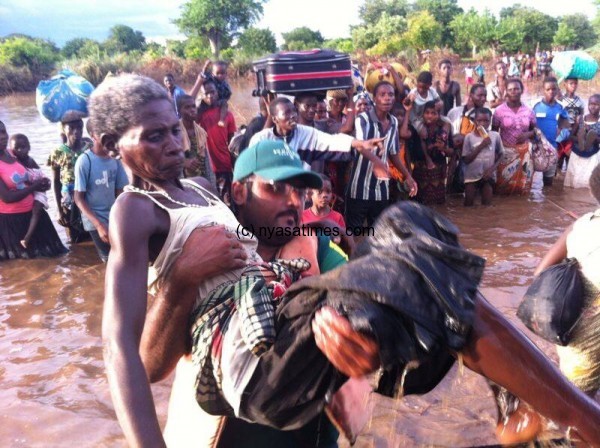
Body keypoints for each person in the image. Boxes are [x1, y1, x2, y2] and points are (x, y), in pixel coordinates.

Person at [96, 75, 600, 448]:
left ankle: (533, 412)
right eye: (276, 189)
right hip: (236, 411)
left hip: (309, 417)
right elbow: (133, 358)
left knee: (411, 233)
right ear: (238, 194)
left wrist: (363, 350)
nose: (294, 202)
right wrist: (182, 281)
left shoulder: (311, 242)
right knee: (407, 251)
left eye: (173, 132)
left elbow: (395, 319)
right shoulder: (139, 211)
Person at [534, 164, 600, 398]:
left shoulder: (579, 225)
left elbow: (540, 272)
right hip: (591, 339)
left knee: (577, 406)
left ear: (593, 192)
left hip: (571, 333)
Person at [345, 81, 418, 230]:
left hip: (381, 190)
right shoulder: (363, 120)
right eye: (382, 95)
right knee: (353, 233)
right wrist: (377, 161)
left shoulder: (393, 122)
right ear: (375, 99)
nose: (387, 98)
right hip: (359, 188)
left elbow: (394, 154)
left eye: (390, 94)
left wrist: (408, 176)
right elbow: (361, 146)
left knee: (378, 233)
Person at [0, 121, 66, 260]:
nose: (2, 137)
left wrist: (44, 184)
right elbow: (7, 198)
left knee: (54, 261)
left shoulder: (13, 153)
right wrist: (35, 186)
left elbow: (35, 172)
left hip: (35, 216)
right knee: (22, 268)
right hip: (12, 223)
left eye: (3, 131)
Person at [73, 124, 128, 263]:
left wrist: (124, 217)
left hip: (113, 215)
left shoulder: (115, 159)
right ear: (92, 135)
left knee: (125, 255)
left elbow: (120, 192)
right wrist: (98, 225)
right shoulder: (85, 161)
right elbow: (78, 198)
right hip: (95, 218)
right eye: (101, 133)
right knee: (110, 259)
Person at [47, 118, 91, 243]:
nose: (76, 131)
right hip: (68, 199)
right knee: (74, 237)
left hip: (89, 193)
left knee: (92, 231)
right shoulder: (58, 152)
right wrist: (59, 210)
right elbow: (55, 181)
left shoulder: (89, 147)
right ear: (64, 130)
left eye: (79, 128)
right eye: (71, 128)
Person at [492, 78, 536, 195]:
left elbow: (536, 130)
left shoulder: (529, 111)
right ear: (506, 91)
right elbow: (494, 133)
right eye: (510, 89)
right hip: (505, 153)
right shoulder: (499, 111)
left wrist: (528, 134)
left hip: (525, 153)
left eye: (516, 89)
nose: (513, 92)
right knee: (502, 185)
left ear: (522, 90)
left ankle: (522, 208)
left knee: (523, 187)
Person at [197, 80, 237, 205]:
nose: (210, 96)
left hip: (224, 163)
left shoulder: (228, 115)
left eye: (212, 92)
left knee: (227, 199)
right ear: (202, 96)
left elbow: (231, 143)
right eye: (206, 93)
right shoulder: (200, 116)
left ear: (218, 93)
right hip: (207, 166)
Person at [8, 134, 50, 249]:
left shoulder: (30, 161)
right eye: (17, 148)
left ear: (29, 147)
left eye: (24, 147)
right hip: (31, 189)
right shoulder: (13, 162)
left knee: (36, 211)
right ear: (11, 150)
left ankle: (27, 237)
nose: (21, 150)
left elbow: (41, 176)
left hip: (39, 189)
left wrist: (45, 183)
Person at [446, 84, 488, 192]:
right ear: (471, 95)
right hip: (454, 157)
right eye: (479, 95)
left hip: (476, 158)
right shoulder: (454, 112)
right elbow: (447, 134)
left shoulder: (486, 116)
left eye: (485, 95)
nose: (483, 98)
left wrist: (465, 139)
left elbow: (486, 138)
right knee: (454, 190)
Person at [412, 101, 453, 205]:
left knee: (439, 205)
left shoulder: (444, 129)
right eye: (427, 112)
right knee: (420, 204)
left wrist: (443, 149)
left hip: (438, 173)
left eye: (433, 113)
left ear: (439, 115)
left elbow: (452, 151)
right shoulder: (417, 128)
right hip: (420, 172)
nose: (429, 116)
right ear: (423, 114)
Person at [462, 108, 504, 206]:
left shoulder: (495, 136)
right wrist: (481, 146)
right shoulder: (469, 137)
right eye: (479, 120)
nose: (483, 123)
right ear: (474, 121)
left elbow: (502, 154)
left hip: (488, 176)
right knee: (468, 204)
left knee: (487, 206)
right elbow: (466, 160)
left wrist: (492, 170)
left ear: (490, 121)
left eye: (486, 121)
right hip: (471, 177)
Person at [532, 77, 570, 186]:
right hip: (535, 148)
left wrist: (560, 131)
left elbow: (565, 123)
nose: (551, 92)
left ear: (558, 90)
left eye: (554, 89)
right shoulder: (535, 105)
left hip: (552, 148)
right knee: (529, 179)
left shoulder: (561, 106)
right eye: (548, 89)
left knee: (548, 183)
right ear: (543, 90)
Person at [177, 95, 216, 187]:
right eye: (187, 107)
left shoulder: (200, 132)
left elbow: (206, 161)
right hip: (184, 184)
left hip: (202, 181)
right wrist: (184, 162)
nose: (192, 110)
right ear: (179, 111)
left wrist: (212, 186)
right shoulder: (175, 132)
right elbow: (167, 158)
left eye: (193, 106)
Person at [564, 94, 600, 189]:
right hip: (577, 155)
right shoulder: (580, 119)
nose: (593, 106)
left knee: (589, 184)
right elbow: (571, 136)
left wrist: (592, 135)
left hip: (593, 156)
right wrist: (581, 138)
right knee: (574, 185)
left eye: (596, 104)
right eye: (590, 104)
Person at [557, 78, 585, 172]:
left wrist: (574, 133)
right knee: (558, 156)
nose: (573, 85)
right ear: (565, 84)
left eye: (575, 83)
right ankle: (557, 179)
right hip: (560, 132)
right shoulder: (560, 100)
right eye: (571, 83)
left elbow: (580, 119)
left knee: (570, 156)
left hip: (573, 132)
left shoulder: (580, 101)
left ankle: (567, 178)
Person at [407, 71, 443, 139]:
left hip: (430, 116)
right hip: (417, 119)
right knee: (424, 133)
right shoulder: (414, 93)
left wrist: (440, 103)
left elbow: (440, 101)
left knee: (447, 123)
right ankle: (424, 148)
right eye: (419, 87)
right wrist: (410, 99)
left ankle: (444, 142)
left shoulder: (432, 91)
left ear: (429, 85)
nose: (421, 90)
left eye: (424, 87)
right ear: (417, 83)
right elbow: (407, 105)